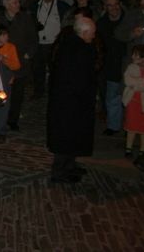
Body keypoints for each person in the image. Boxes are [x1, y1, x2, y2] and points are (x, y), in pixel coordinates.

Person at [47, 17, 97, 183]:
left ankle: (69, 166)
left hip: (72, 100)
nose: (94, 36)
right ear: (84, 33)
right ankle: (60, 171)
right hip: (70, 101)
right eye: (92, 33)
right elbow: (78, 77)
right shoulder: (78, 49)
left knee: (73, 135)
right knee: (66, 136)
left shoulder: (73, 46)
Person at [0, 0, 38, 132]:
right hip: (3, 61)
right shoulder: (0, 19)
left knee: (18, 92)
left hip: (21, 61)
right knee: (2, 91)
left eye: (18, 2)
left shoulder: (25, 19)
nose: (18, 5)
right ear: (8, 5)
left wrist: (28, 54)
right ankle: (1, 119)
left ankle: (13, 120)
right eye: (15, 2)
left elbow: (33, 38)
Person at [33, 0, 69, 99]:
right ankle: (39, 91)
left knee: (55, 69)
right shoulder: (35, 5)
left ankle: (55, 91)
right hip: (38, 43)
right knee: (38, 69)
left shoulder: (62, 6)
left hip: (54, 44)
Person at [97, 0, 126, 135]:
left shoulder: (128, 20)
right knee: (111, 97)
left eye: (116, 4)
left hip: (127, 63)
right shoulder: (102, 24)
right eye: (110, 5)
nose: (114, 8)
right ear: (105, 7)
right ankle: (114, 125)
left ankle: (130, 126)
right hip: (109, 65)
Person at [0, 25, 20, 142]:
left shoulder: (10, 47)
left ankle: (1, 131)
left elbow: (16, 65)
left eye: (7, 34)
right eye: (3, 35)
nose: (7, 37)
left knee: (4, 104)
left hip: (5, 82)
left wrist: (4, 60)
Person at [122, 45, 144, 158]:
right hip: (132, 102)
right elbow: (128, 81)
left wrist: (136, 84)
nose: (132, 57)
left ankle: (143, 150)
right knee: (131, 126)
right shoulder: (131, 67)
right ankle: (128, 148)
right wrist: (140, 83)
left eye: (136, 54)